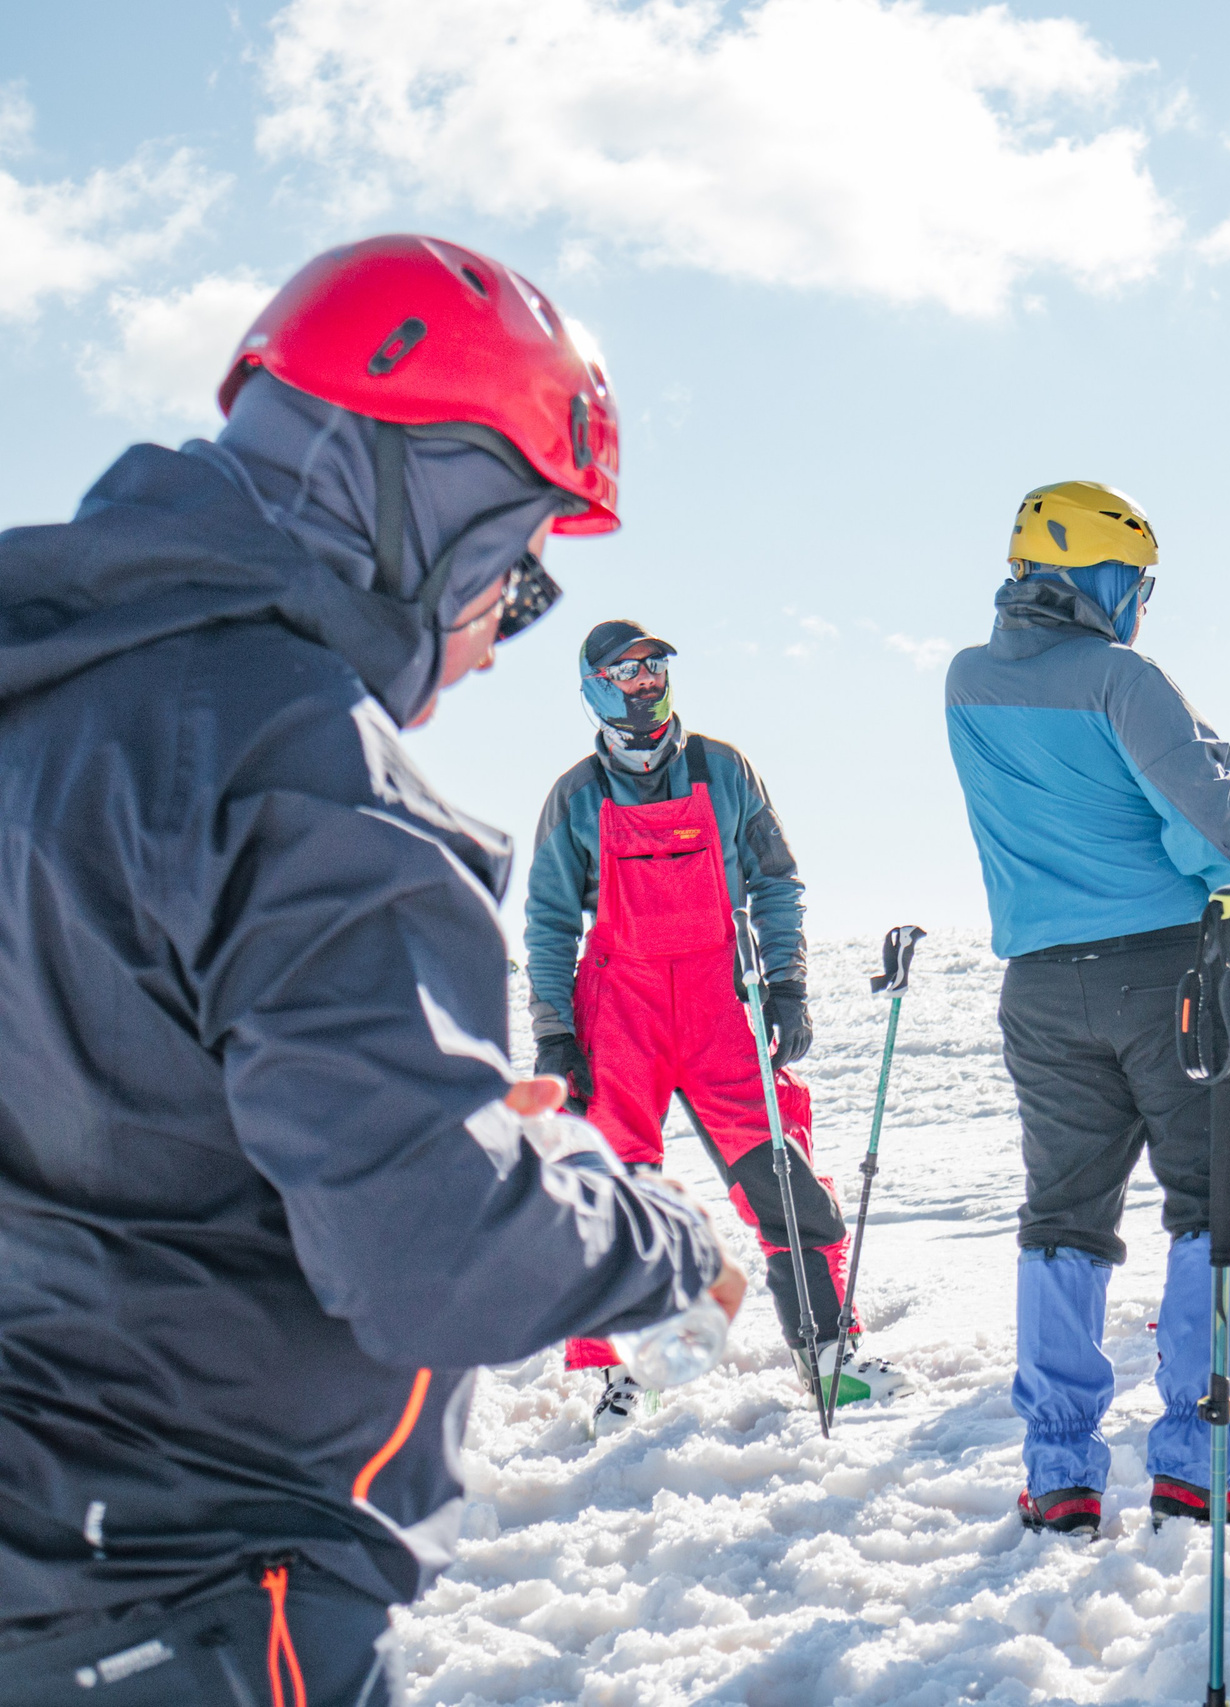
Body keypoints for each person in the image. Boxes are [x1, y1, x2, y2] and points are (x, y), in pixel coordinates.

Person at [0, 236, 738, 1704]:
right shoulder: (300, 765)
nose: (499, 634)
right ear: (424, 507)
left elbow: (114, 1102)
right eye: (514, 571)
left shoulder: (55, 711)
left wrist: (422, 1095)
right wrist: (656, 1226)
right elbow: (435, 1251)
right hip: (201, 1595)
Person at [944, 482, 1230, 1537]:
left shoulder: (964, 682)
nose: (1142, 604)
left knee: (1063, 1216)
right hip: (1168, 975)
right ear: (1100, 580)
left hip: (1042, 987)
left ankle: (1059, 1471)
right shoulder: (1124, 679)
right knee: (1217, 1198)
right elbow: (1222, 846)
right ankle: (1195, 1457)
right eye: (1136, 584)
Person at [524, 619, 854, 1431]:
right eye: (624, 671)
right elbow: (548, 922)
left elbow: (776, 881)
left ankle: (827, 1354)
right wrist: (555, 1035)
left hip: (718, 1007)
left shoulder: (722, 768)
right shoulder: (577, 796)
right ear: (597, 687)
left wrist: (787, 983)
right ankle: (623, 1380)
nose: (643, 682)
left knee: (779, 1170)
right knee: (612, 1194)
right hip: (620, 1015)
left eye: (653, 666)